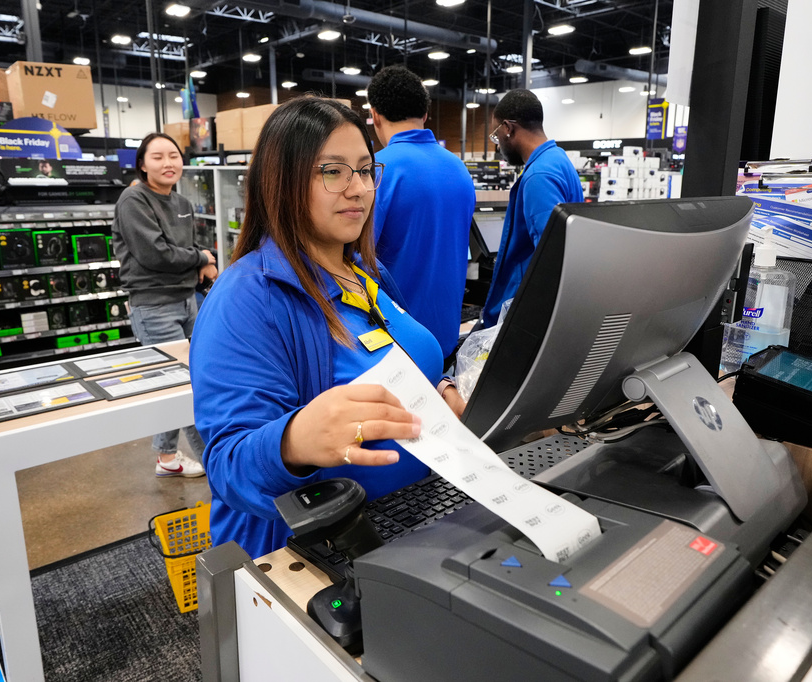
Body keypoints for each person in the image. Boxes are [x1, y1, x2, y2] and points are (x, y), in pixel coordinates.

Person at [189, 97, 466, 559]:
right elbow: (227, 465)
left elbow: (390, 361)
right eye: (333, 171)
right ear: (284, 181)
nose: (357, 188)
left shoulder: (364, 272)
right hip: (316, 553)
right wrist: (295, 439)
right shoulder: (247, 298)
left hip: (406, 524)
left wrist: (439, 388)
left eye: (364, 170)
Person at [111, 132, 218, 478]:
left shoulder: (182, 204)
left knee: (186, 380)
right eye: (157, 157)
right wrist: (201, 256)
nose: (168, 163)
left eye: (173, 155)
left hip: (188, 300)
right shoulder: (133, 200)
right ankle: (216, 466)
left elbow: (186, 245)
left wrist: (201, 260)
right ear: (142, 164)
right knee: (186, 386)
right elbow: (153, 254)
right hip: (154, 305)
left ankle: (166, 456)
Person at [367, 65, 476, 358]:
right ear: (425, 114)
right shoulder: (460, 170)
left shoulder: (377, 171)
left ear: (375, 115)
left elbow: (353, 263)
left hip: (395, 347)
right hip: (446, 343)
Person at [481, 89, 584, 327]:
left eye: (496, 136)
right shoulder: (559, 160)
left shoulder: (539, 176)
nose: (498, 147)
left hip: (524, 313)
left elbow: (550, 259)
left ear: (508, 127)